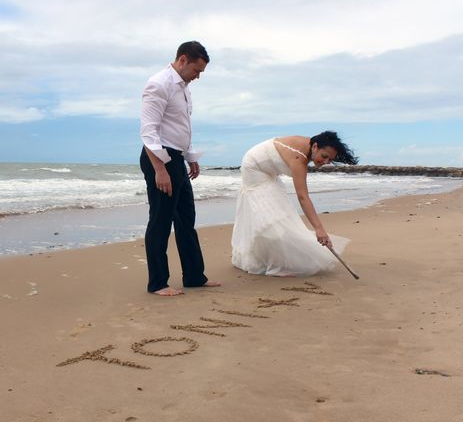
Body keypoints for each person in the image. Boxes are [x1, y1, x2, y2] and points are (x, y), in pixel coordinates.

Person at [139, 41, 222, 296]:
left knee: (186, 220)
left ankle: (195, 276)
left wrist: (190, 156)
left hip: (176, 157)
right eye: (197, 70)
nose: (197, 77)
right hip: (160, 159)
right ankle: (158, 283)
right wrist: (160, 170)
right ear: (183, 60)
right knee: (161, 221)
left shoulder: (183, 87)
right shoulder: (159, 84)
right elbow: (149, 131)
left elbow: (179, 128)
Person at [232, 131, 358, 276]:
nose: (325, 162)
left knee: (279, 216)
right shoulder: (299, 157)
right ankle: (271, 260)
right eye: (324, 156)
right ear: (315, 146)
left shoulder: (310, 145)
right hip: (254, 169)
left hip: (268, 171)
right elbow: (303, 197)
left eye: (330, 159)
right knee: (271, 220)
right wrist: (319, 229)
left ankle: (273, 256)